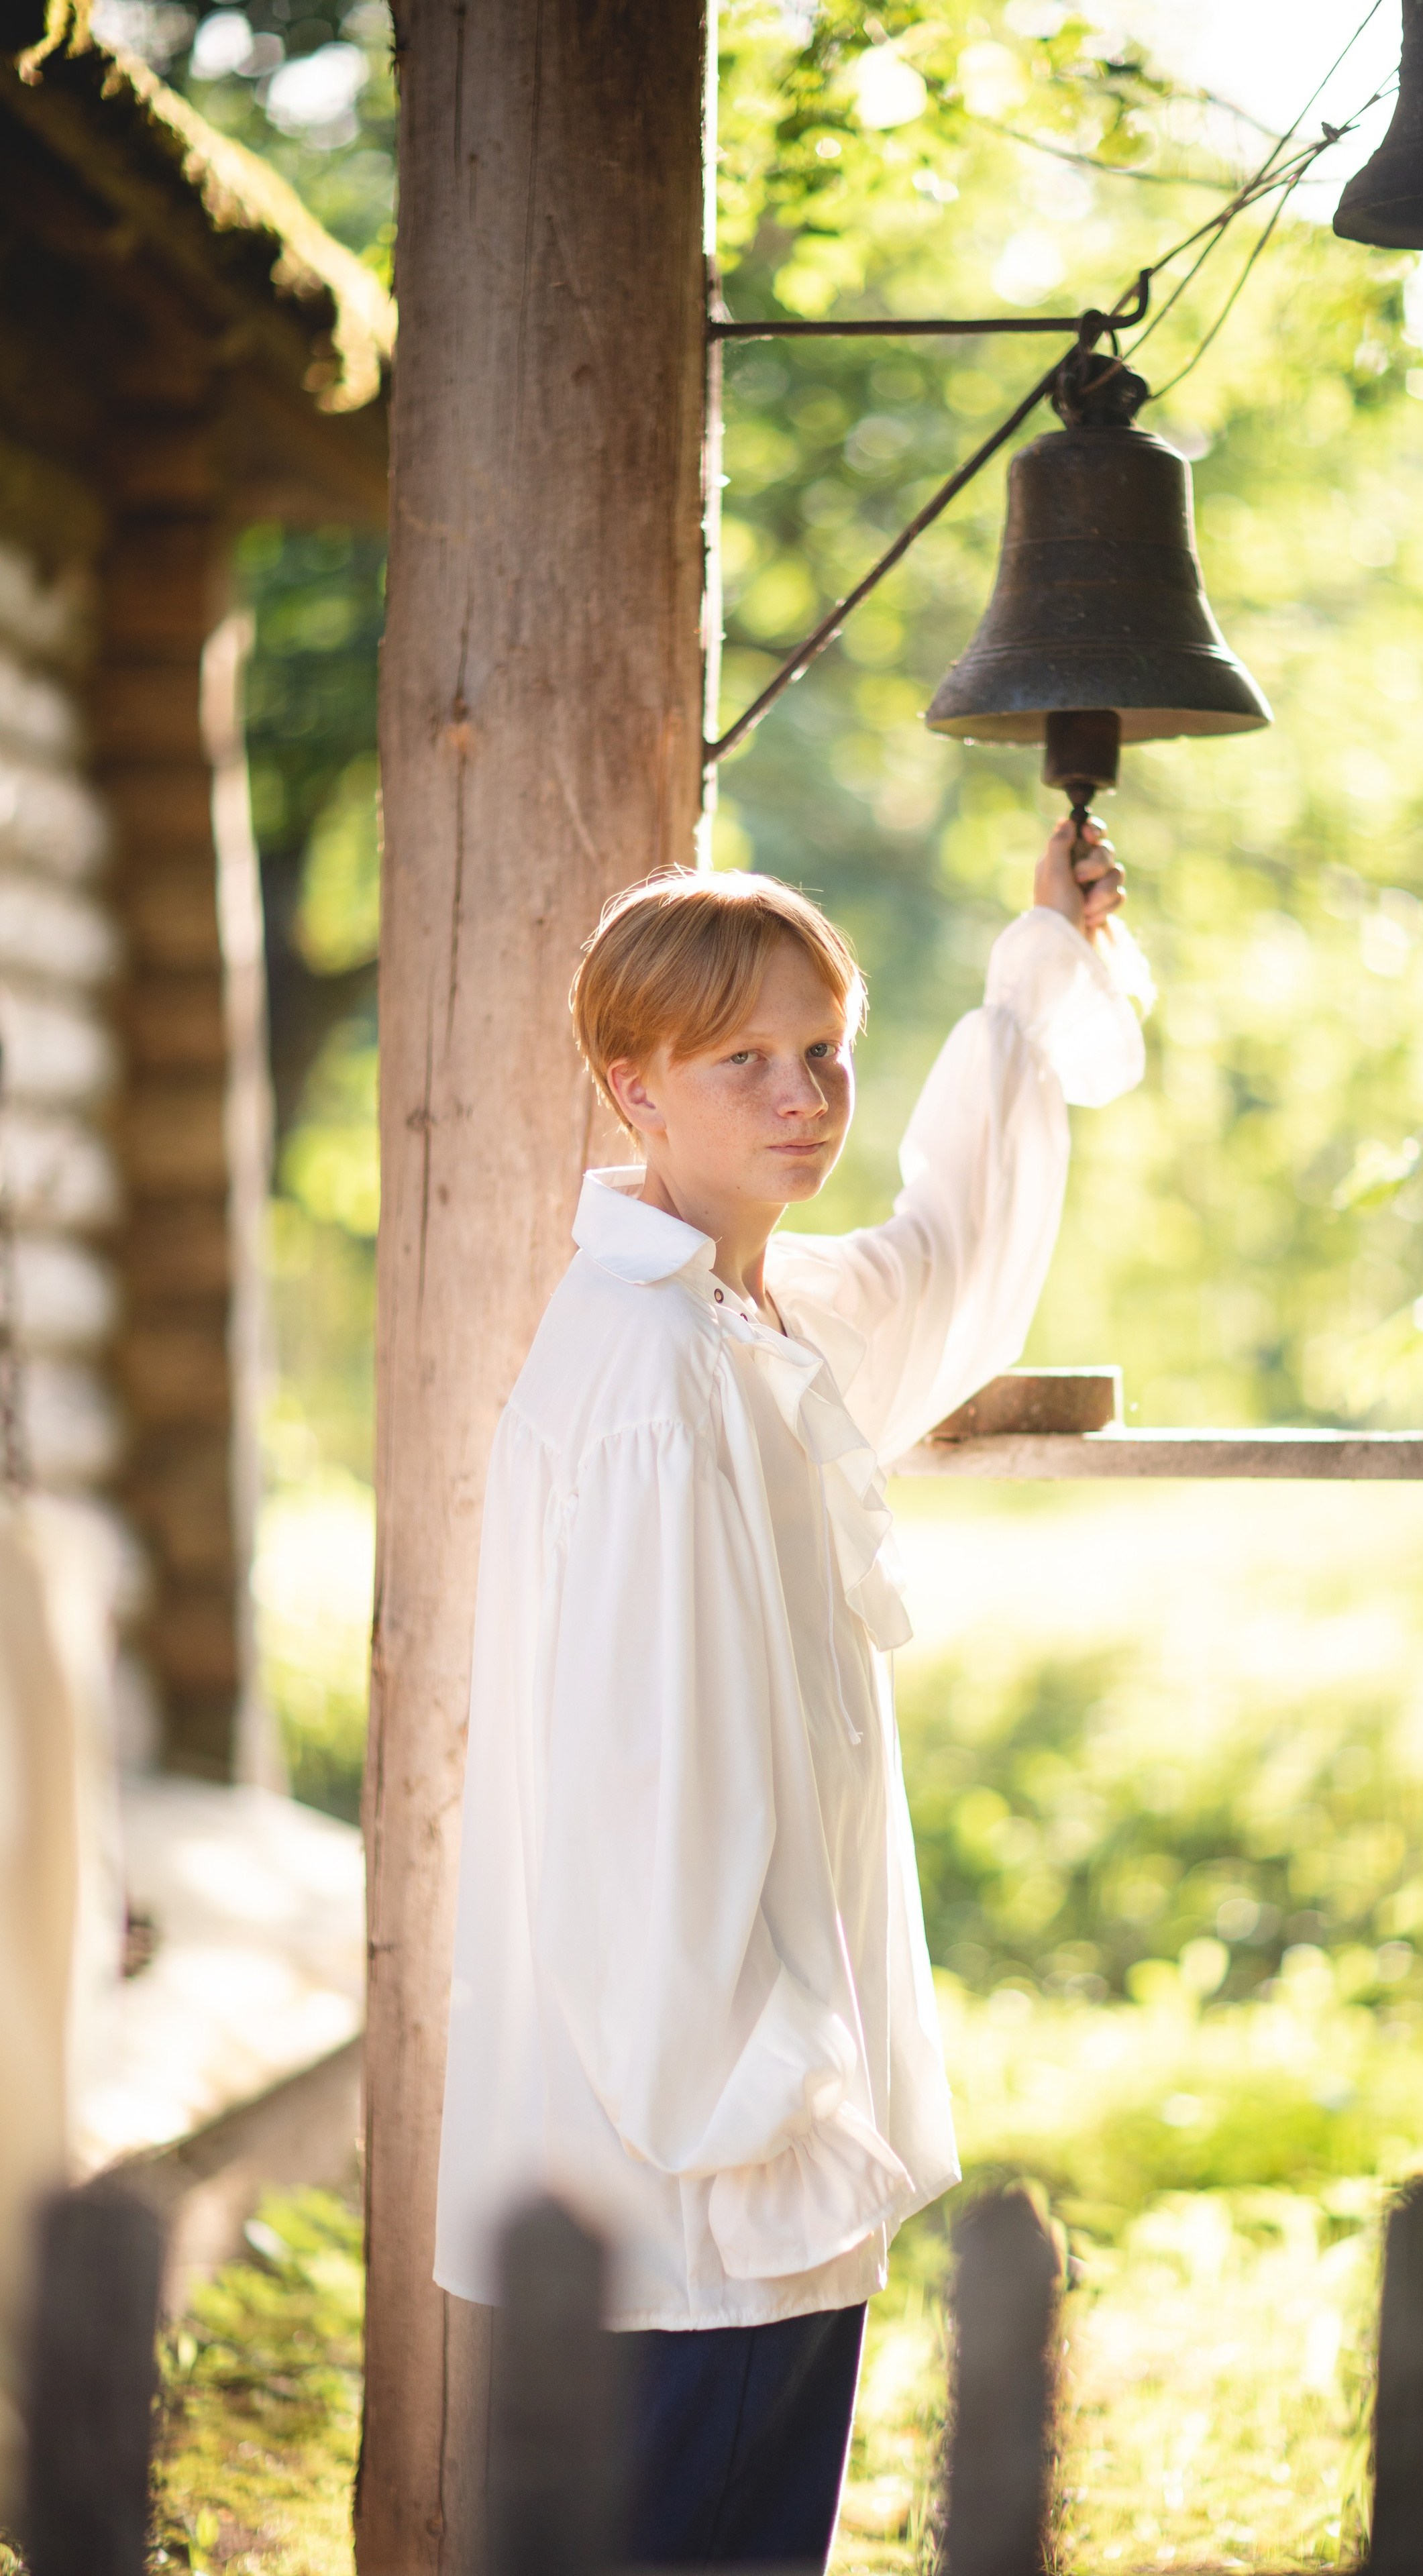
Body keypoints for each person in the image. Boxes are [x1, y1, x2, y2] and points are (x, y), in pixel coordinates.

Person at [434, 818, 1148, 2565]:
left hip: (741, 2174)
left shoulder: (759, 1319)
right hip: (697, 2185)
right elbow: (641, 1800)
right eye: (742, 1060)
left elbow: (945, 1269)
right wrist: (769, 2110)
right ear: (635, 1088)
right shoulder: (658, 1378)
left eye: (824, 1052)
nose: (803, 1094)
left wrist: (1029, 979)